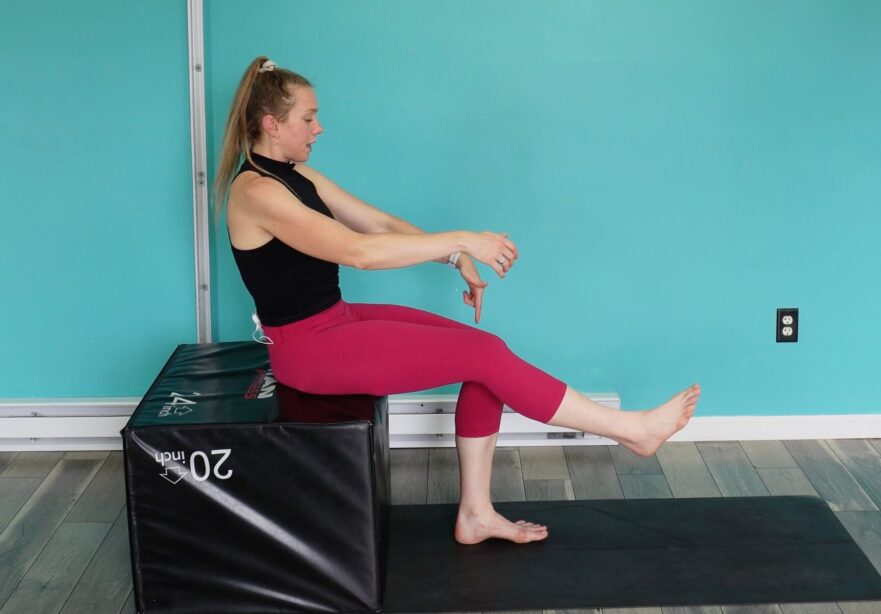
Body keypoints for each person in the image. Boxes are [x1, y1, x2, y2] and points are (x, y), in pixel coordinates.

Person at [213, 56, 701, 545]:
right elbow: (358, 252)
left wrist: (452, 256)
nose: (319, 127)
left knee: (485, 350)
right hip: (307, 350)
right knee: (486, 357)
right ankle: (630, 430)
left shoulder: (297, 176)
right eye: (308, 118)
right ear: (272, 125)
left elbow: (378, 225)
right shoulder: (256, 192)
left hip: (335, 321)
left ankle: (476, 515)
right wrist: (465, 239)